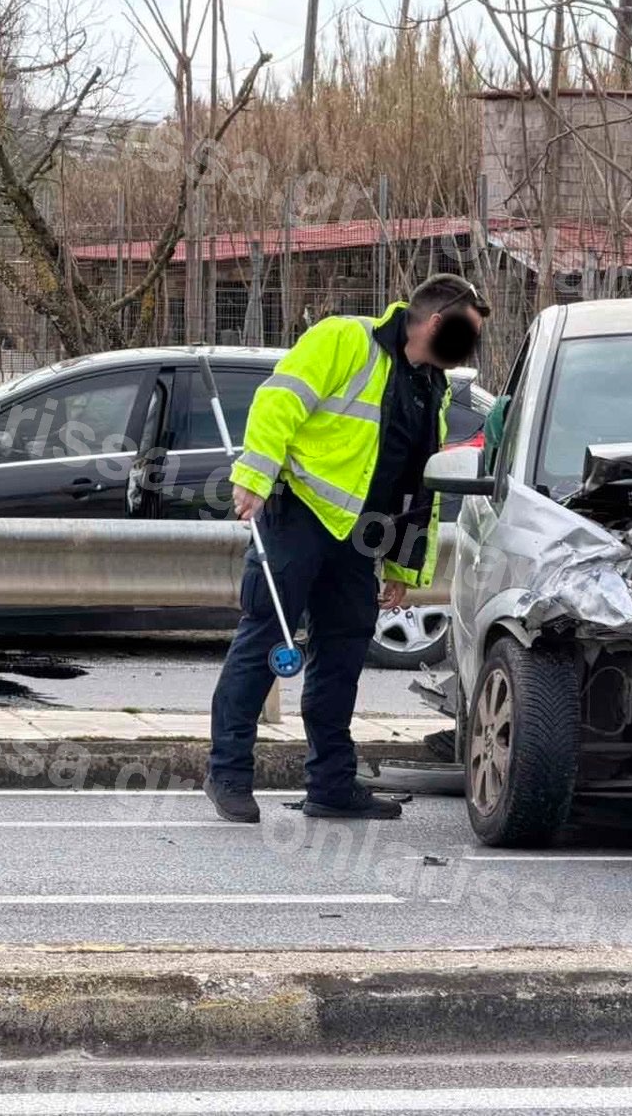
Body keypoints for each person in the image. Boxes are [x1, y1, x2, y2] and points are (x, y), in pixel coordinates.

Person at [205, 274, 490, 822]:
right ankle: (229, 774)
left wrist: (404, 562)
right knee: (264, 640)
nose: (468, 350)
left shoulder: (431, 385)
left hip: (360, 541)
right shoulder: (345, 339)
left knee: (341, 660)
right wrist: (255, 477)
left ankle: (331, 787)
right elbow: (278, 401)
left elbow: (416, 482)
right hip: (301, 515)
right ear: (435, 323)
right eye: (466, 335)